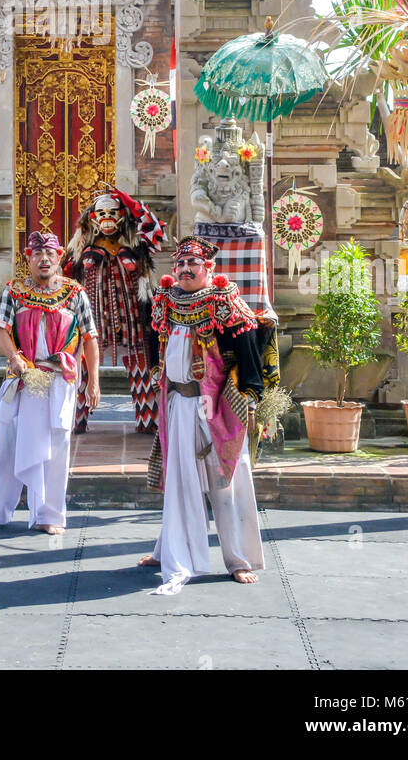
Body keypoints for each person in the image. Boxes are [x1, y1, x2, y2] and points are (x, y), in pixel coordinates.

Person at [139, 235, 264, 592]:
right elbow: (152, 338)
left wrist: (251, 396)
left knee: (225, 481)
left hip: (215, 408)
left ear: (208, 268)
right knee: (178, 480)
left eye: (193, 264)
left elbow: (248, 348)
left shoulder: (223, 303)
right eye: (179, 264)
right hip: (176, 403)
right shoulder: (165, 302)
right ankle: (169, 549)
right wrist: (153, 371)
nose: (185, 270)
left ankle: (238, 559)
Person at [0, 230, 100, 535]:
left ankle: (49, 514)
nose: (44, 259)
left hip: (59, 379)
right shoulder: (14, 291)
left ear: (59, 258)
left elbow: (90, 337)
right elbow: (1, 329)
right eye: (37, 254)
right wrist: (14, 356)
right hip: (23, 378)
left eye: (50, 254)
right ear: (28, 259)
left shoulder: (75, 293)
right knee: (6, 444)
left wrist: (93, 381)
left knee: (56, 447)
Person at [64, 189, 163, 433]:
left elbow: (156, 231)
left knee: (140, 363)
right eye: (102, 213)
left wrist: (129, 201)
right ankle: (75, 418)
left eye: (113, 212)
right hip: (92, 316)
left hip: (130, 316)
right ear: (93, 218)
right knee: (82, 364)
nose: (107, 218)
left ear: (122, 216)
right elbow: (65, 273)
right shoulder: (81, 244)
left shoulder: (135, 243)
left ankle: (147, 419)